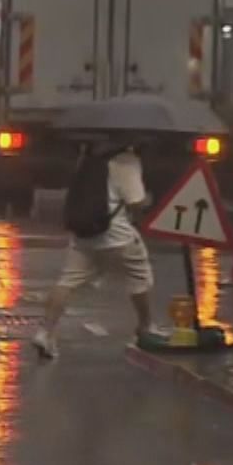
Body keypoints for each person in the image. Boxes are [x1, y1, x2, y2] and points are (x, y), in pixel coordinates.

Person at [33, 140, 155, 358]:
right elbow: (136, 202)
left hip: (84, 233)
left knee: (67, 281)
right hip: (116, 234)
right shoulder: (125, 161)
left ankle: (45, 332)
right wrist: (148, 200)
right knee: (139, 276)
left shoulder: (87, 157)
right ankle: (145, 327)